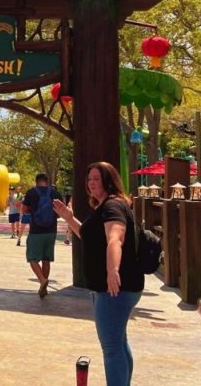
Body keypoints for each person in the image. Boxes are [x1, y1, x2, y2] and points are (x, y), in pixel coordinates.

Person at [53, 162, 144, 386]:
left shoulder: (112, 206)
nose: (92, 183)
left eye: (96, 178)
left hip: (114, 288)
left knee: (112, 348)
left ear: (108, 180)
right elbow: (88, 235)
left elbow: (115, 238)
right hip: (114, 287)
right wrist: (67, 216)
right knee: (119, 343)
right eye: (89, 179)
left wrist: (112, 271)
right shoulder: (107, 206)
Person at [21, 172, 62, 298]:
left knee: (32, 258)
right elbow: (60, 212)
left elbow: (24, 210)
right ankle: (43, 288)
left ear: (36, 181)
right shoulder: (55, 193)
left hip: (36, 231)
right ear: (47, 181)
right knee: (46, 259)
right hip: (51, 231)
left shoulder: (31, 192)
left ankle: (42, 281)